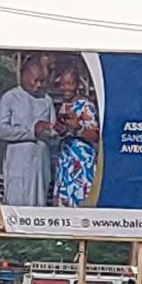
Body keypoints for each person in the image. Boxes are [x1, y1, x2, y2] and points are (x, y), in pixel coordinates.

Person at [0, 53, 55, 209]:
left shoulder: (46, 100)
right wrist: (31, 131)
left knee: (39, 209)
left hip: (40, 167)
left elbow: (53, 131)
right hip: (18, 165)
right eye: (36, 80)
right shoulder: (10, 98)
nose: (39, 85)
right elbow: (1, 130)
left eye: (42, 81)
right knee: (18, 209)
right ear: (23, 75)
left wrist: (55, 130)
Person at [49, 61, 101, 208]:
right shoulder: (63, 106)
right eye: (63, 84)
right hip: (66, 159)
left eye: (70, 84)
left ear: (77, 85)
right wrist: (61, 129)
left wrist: (78, 128)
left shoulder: (86, 106)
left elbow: (95, 136)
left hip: (81, 162)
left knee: (80, 203)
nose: (66, 88)